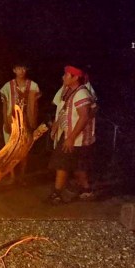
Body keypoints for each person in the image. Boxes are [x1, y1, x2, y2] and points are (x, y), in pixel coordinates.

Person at [47, 65, 97, 204]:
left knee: (62, 163)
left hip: (76, 138)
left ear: (75, 78)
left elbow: (84, 117)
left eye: (67, 75)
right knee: (77, 166)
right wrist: (57, 124)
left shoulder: (81, 93)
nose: (63, 77)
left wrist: (71, 137)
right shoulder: (70, 91)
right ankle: (87, 191)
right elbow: (65, 109)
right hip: (71, 135)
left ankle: (56, 194)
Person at [0, 62, 41, 184]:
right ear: (14, 70)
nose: (21, 71)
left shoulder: (33, 86)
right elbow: (5, 105)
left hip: (27, 122)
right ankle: (12, 176)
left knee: (24, 151)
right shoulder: (8, 86)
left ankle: (22, 176)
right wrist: (5, 121)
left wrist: (34, 121)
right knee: (11, 150)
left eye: (23, 68)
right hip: (11, 122)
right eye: (18, 68)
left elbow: (36, 106)